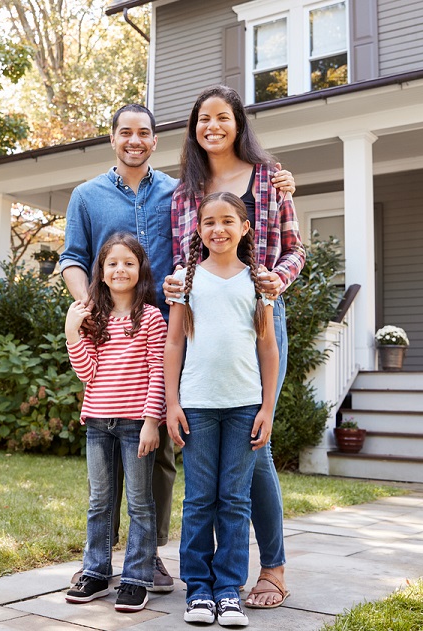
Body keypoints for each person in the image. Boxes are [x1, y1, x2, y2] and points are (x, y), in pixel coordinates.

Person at [59, 103, 295, 593]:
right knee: (155, 440)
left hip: (226, 318)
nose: (134, 140)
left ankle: (259, 567)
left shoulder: (232, 183)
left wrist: (275, 280)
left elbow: (286, 245)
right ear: (111, 137)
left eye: (144, 132)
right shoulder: (143, 192)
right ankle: (126, 561)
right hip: (153, 330)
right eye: (125, 131)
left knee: (238, 443)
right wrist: (92, 311)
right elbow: (78, 259)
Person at [164, 85, 306, 610]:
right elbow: (182, 260)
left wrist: (275, 282)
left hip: (260, 311)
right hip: (203, 319)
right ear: (194, 128)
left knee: (256, 442)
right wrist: (174, 289)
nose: (213, 127)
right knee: (209, 485)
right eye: (204, 119)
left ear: (238, 123)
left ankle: (272, 568)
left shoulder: (270, 177)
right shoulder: (185, 192)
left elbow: (295, 249)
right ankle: (211, 581)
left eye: (223, 117)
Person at [165, 192, 279, 626]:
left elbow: (267, 348)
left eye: (228, 221)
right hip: (197, 406)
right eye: (209, 221)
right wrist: (172, 403)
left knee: (233, 499)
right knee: (198, 499)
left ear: (245, 228)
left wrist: (267, 407)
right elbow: (174, 343)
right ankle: (198, 589)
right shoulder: (185, 280)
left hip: (244, 406)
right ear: (198, 229)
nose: (218, 229)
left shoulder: (258, 282)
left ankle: (229, 589)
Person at [64, 233, 166, 613]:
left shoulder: (151, 317)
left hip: (135, 423)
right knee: (99, 502)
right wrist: (72, 331)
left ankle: (137, 577)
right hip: (97, 423)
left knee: (140, 502)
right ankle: (96, 572)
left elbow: (158, 372)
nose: (120, 269)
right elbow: (87, 372)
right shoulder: (93, 318)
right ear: (101, 273)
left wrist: (151, 421)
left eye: (128, 262)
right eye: (112, 263)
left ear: (140, 270)